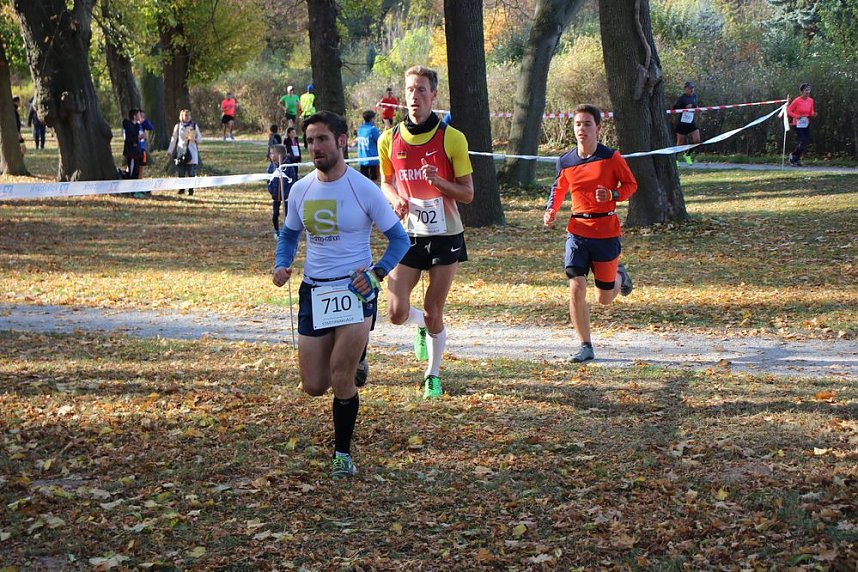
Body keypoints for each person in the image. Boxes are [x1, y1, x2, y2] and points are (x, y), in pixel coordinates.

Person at [272, 110, 409, 478]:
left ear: (342, 141)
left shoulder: (363, 188)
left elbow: (400, 239)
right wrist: (282, 263)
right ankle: (358, 355)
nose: (315, 147)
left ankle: (342, 455)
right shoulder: (301, 189)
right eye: (310, 140)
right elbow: (288, 234)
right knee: (315, 385)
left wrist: (377, 273)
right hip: (313, 290)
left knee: (340, 377)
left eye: (322, 139)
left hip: (354, 290)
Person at [377, 65, 474, 399]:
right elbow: (386, 181)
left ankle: (432, 374)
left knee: (435, 310)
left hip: (446, 234)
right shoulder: (388, 139)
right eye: (409, 90)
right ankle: (419, 325)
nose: (414, 96)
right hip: (408, 235)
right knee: (395, 313)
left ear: (434, 94)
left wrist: (439, 183)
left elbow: (468, 193)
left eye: (421, 90)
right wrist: (396, 200)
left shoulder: (452, 138)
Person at [543, 104, 638, 363]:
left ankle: (620, 275)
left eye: (587, 123)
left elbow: (631, 185)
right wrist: (551, 210)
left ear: (598, 127)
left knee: (604, 298)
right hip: (577, 232)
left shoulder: (611, 158)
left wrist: (612, 194)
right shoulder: (566, 161)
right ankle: (585, 345)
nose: (582, 128)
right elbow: (559, 188)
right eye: (577, 124)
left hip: (606, 232)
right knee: (576, 286)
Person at [167, 109, 203, 196]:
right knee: (181, 172)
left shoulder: (194, 126)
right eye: (185, 115)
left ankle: (191, 190)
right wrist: (170, 151)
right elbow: (174, 139)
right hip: (181, 152)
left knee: (191, 172)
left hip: (192, 151)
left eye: (189, 115)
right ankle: (181, 189)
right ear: (182, 117)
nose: (187, 117)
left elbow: (200, 139)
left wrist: (195, 139)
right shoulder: (178, 126)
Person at [786, 83, 817, 167]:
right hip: (797, 123)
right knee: (803, 140)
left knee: (805, 141)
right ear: (802, 91)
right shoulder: (797, 100)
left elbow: (811, 112)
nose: (808, 92)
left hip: (806, 123)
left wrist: (813, 114)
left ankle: (796, 158)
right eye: (806, 90)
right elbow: (789, 111)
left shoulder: (811, 100)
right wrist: (797, 116)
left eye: (809, 90)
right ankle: (793, 156)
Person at [266, 144, 293, 239]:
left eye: (272, 153)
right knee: (275, 214)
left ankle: (287, 232)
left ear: (278, 155)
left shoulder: (288, 166)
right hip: (275, 195)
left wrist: (289, 193)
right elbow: (268, 180)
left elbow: (293, 180)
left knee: (287, 214)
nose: (270, 155)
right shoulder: (271, 166)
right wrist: (271, 191)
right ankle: (277, 231)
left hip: (287, 196)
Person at [673, 81, 700, 166]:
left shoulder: (694, 96)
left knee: (697, 141)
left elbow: (695, 106)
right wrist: (684, 108)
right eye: (690, 88)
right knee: (680, 143)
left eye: (693, 88)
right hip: (682, 123)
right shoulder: (681, 98)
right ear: (685, 89)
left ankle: (687, 155)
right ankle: (675, 159)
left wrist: (697, 108)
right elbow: (674, 108)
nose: (692, 90)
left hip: (691, 122)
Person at [355, 110, 381, 181]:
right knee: (373, 182)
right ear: (372, 119)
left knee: (364, 182)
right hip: (372, 160)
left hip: (362, 160)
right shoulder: (373, 130)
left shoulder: (360, 129)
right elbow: (380, 141)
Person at [121, 108, 143, 180]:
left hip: (136, 152)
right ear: (134, 116)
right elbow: (129, 139)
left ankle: (135, 188)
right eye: (139, 115)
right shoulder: (129, 126)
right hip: (131, 153)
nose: (140, 116)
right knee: (132, 171)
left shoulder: (137, 126)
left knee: (136, 171)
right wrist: (138, 137)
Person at [298, 84, 316, 149]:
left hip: (304, 114)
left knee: (305, 130)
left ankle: (306, 145)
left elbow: (300, 106)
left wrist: (300, 114)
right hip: (311, 114)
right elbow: (314, 104)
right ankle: (312, 143)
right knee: (313, 129)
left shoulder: (302, 96)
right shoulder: (313, 96)